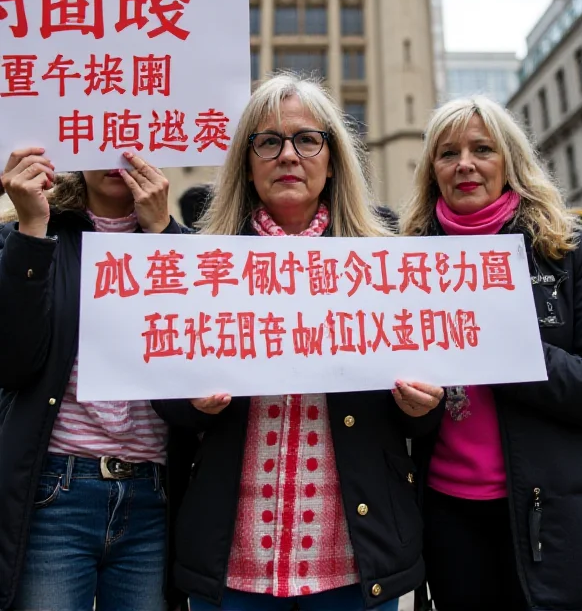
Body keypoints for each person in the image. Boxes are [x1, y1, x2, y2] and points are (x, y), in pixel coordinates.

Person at [153, 75, 444, 611]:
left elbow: (419, 415)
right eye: (268, 142)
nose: (288, 154)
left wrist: (422, 405)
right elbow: (166, 396)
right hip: (234, 561)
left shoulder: (388, 258)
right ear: (247, 161)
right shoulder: (204, 260)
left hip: (356, 556)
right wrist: (190, 401)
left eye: (308, 140)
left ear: (333, 159)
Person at [399, 96, 582, 611]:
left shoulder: (570, 250)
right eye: (448, 152)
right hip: (446, 512)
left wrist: (505, 347)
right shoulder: (401, 261)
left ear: (508, 160)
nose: (465, 163)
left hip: (547, 512)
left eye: (482, 149)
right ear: (432, 171)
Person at [0, 149, 186, 611]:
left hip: (152, 496)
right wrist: (31, 231)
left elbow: (190, 375)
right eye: (103, 135)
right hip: (56, 493)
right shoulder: (30, 233)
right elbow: (13, 363)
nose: (120, 152)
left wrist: (163, 235)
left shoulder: (185, 245)